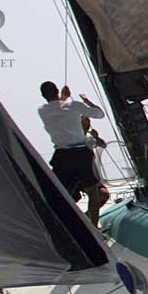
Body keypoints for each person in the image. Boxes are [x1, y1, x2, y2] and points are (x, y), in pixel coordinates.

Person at [37, 80, 110, 222]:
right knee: (93, 193)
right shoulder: (74, 105)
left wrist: (63, 97)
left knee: (59, 193)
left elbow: (59, 108)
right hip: (81, 153)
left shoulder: (43, 111)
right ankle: (93, 227)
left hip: (62, 155)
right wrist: (87, 101)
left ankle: (58, 221)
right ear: (57, 90)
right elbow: (100, 114)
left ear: (43, 95)